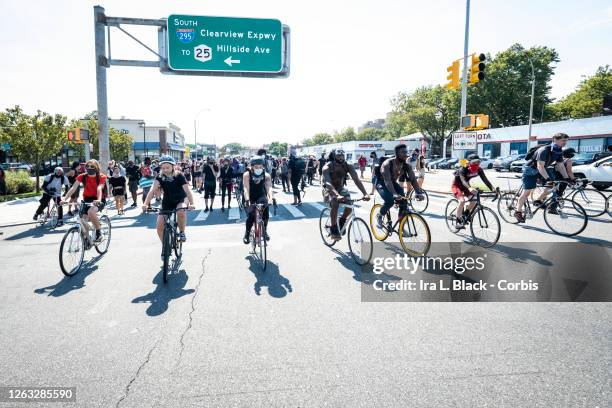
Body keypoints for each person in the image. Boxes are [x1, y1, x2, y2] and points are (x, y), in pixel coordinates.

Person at [515, 133, 570, 222]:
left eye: (566, 141)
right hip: (530, 170)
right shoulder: (544, 150)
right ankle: (518, 211)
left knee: (552, 186)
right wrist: (548, 179)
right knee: (527, 192)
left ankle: (538, 200)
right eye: (563, 140)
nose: (565, 143)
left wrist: (567, 179)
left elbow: (560, 166)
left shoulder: (559, 151)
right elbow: (540, 166)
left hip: (542, 170)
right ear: (555, 140)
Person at [142, 155, 195, 247]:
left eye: (167, 167)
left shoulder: (179, 175)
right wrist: (145, 204)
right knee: (159, 227)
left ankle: (182, 232)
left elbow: (187, 190)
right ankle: (166, 246)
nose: (165, 170)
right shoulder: (159, 176)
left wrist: (192, 203)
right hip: (167, 201)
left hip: (181, 199)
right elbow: (152, 190)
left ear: (173, 166)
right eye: (163, 168)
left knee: (181, 211)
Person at [322, 149, 370, 240]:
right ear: (334, 156)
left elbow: (356, 180)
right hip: (329, 189)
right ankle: (333, 228)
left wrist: (365, 193)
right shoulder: (327, 167)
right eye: (338, 155)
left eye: (342, 155)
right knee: (335, 203)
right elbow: (327, 183)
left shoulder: (347, 166)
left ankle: (342, 221)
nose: (341, 157)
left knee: (350, 204)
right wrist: (337, 195)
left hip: (340, 188)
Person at [375, 144, 424, 228]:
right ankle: (380, 215)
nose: (406, 154)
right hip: (382, 183)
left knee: (404, 203)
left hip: (393, 183)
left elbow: (413, 179)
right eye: (403, 152)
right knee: (390, 201)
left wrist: (418, 192)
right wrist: (394, 194)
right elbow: (387, 181)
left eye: (406, 152)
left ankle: (401, 227)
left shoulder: (406, 166)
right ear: (397, 154)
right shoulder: (387, 164)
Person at [61, 160, 107, 241]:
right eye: (87, 166)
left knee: (91, 212)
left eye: (92, 166)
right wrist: (65, 198)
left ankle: (99, 233)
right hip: (87, 199)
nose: (89, 168)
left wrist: (98, 199)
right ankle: (86, 239)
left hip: (98, 199)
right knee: (82, 220)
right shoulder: (82, 176)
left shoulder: (101, 176)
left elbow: (99, 188)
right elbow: (73, 188)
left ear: (97, 168)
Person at [451, 154, 495, 230]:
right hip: (457, 186)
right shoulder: (463, 169)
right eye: (474, 162)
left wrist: (493, 189)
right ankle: (458, 222)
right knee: (462, 201)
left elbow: (485, 180)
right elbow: (463, 180)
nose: (477, 164)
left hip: (467, 186)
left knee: (474, 199)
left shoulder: (479, 169)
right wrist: (470, 188)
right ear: (469, 162)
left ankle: (465, 214)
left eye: (478, 162)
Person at [242, 156, 273, 244]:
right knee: (251, 216)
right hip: (249, 195)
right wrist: (247, 199)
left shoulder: (266, 175)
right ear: (252, 166)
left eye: (260, 167)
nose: (258, 168)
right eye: (256, 167)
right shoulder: (247, 174)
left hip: (260, 195)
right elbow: (246, 188)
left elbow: (269, 187)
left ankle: (264, 231)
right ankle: (247, 234)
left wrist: (271, 198)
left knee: (266, 215)